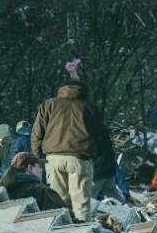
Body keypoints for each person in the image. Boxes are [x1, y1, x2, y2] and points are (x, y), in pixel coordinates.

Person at [31, 80, 103, 222]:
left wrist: (36, 155)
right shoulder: (89, 107)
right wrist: (93, 153)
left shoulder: (49, 104)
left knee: (58, 201)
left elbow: (37, 132)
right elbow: (99, 134)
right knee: (81, 202)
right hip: (79, 157)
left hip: (53, 157)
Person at [1, 152, 65, 211]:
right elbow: (65, 217)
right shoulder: (42, 191)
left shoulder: (4, 191)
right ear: (30, 168)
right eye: (40, 166)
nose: (42, 170)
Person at [92, 124, 122, 202]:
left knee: (91, 195)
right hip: (108, 169)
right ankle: (124, 208)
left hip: (98, 171)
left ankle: (86, 212)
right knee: (112, 191)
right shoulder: (101, 128)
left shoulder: (91, 131)